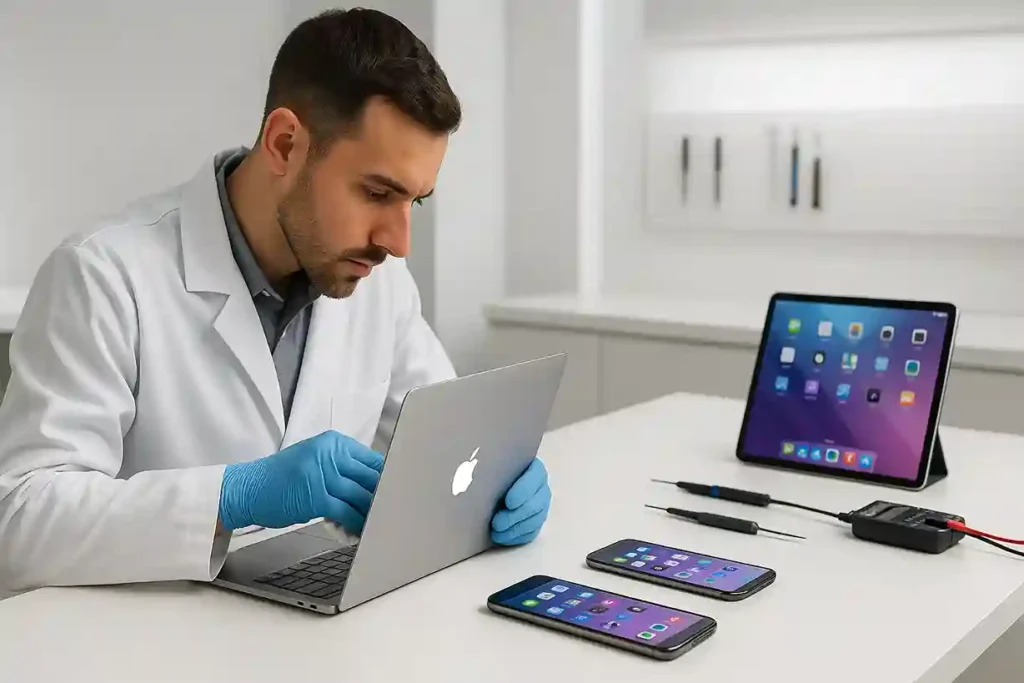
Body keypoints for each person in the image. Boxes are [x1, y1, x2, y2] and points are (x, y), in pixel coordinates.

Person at [0, 8, 551, 594]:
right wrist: (230, 496)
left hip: (305, 621)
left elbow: (443, 435)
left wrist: (495, 477)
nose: (397, 241)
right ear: (286, 144)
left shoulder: (377, 280)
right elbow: (19, 524)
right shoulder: (103, 274)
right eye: (375, 192)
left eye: (413, 201)